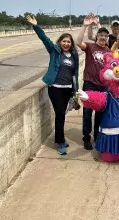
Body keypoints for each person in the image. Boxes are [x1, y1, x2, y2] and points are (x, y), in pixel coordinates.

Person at [26, 15, 79, 155]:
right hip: (55, 89)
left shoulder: (74, 55)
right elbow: (45, 39)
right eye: (64, 41)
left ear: (71, 44)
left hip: (68, 89)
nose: (66, 43)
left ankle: (60, 138)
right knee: (60, 114)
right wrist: (35, 26)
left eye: (69, 42)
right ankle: (60, 142)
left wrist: (76, 90)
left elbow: (76, 73)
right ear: (60, 42)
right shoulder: (55, 51)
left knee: (63, 115)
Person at [76, 14, 112, 150]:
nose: (103, 37)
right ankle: (86, 137)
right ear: (97, 37)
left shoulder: (108, 51)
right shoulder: (91, 47)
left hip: (103, 86)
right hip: (90, 83)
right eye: (101, 35)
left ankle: (97, 136)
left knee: (100, 113)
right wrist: (85, 25)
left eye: (105, 36)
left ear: (107, 38)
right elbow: (78, 42)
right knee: (87, 113)